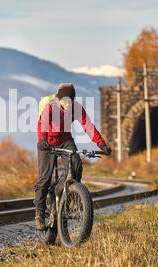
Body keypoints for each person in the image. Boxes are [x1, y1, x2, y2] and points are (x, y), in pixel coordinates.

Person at [34, 83, 111, 230]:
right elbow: (42, 124)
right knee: (44, 179)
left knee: (76, 165)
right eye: (64, 101)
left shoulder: (76, 108)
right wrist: (42, 140)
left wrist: (102, 145)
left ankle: (71, 195)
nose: (67, 105)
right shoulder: (50, 107)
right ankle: (39, 214)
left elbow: (88, 126)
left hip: (65, 141)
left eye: (70, 101)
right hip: (47, 143)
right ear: (59, 98)